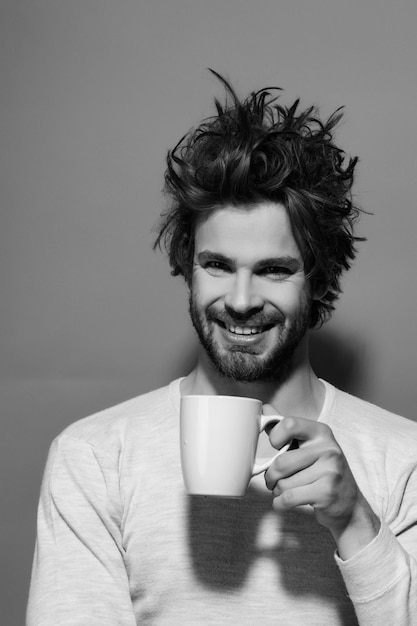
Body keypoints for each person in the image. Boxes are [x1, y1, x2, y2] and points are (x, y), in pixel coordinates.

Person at [27, 71, 417, 626]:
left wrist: (355, 522)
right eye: (217, 265)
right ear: (188, 267)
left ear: (319, 280)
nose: (239, 300)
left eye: (274, 270)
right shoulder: (94, 458)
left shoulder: (403, 462)